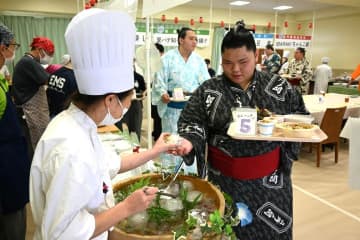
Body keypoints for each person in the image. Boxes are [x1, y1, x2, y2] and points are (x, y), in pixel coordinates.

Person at [29, 9, 177, 240]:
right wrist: (127, 207)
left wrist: (156, 151)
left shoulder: (76, 124)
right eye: (127, 102)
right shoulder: (72, 149)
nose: (127, 109)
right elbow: (60, 233)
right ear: (110, 100)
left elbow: (112, 163)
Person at [175, 20, 308, 239]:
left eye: (243, 62)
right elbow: (192, 121)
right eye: (227, 63)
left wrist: (286, 130)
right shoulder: (209, 90)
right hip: (224, 181)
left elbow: (300, 117)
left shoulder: (277, 86)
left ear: (256, 57)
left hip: (270, 183)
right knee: (227, 231)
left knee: (271, 232)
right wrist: (189, 141)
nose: (235, 69)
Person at [153, 27, 210, 174]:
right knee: (172, 141)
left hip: (192, 110)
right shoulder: (167, 59)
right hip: (172, 109)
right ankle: (169, 172)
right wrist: (163, 93)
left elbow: (206, 84)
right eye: (191, 38)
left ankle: (190, 174)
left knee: (189, 141)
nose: (195, 42)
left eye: (196, 39)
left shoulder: (199, 61)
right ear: (181, 40)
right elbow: (159, 81)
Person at [0, 24, 30, 240]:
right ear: (2, 48)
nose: (13, 51)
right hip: (4, 171)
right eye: (13, 46)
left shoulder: (2, 79)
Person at [12, 36, 54, 150]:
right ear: (40, 50)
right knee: (39, 139)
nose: (50, 57)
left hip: (34, 105)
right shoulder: (28, 62)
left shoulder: (30, 61)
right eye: (49, 53)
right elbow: (47, 79)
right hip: (32, 107)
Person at [116, 61, 146, 142]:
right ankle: (121, 147)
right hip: (120, 105)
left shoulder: (138, 77)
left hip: (135, 104)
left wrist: (143, 94)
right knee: (119, 128)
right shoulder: (118, 76)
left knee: (135, 129)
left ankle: (135, 149)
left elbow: (144, 90)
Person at [151, 43, 164, 141]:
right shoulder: (154, 63)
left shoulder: (164, 63)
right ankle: (156, 132)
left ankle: (158, 134)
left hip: (162, 96)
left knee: (160, 117)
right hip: (155, 95)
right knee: (156, 116)